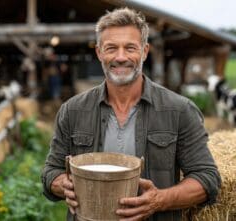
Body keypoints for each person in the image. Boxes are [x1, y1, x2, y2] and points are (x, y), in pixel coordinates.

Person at [41, 8, 221, 221]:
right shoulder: (72, 110)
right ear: (99, 53)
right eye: (111, 48)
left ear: (145, 51)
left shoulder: (180, 110)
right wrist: (63, 184)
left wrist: (158, 200)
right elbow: (50, 172)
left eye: (130, 48)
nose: (120, 57)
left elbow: (207, 179)